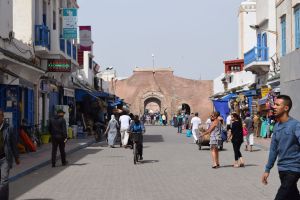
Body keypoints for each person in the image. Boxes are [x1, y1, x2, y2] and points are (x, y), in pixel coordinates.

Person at [261, 95, 300, 200]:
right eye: (274, 104)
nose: (274, 107)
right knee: (293, 195)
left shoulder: (295, 125)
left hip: (294, 169)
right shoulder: (277, 126)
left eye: (277, 105)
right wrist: (267, 169)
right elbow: (273, 150)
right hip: (282, 169)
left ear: (286, 108)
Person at [0, 109, 20, 200]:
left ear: (2, 117)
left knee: (4, 180)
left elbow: (13, 144)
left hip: (5, 158)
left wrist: (16, 157)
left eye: (0, 115)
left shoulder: (9, 128)